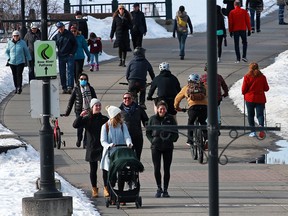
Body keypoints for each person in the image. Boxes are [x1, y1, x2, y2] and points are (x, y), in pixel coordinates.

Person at [73, 98, 109, 198]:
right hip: (92, 147)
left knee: (105, 169)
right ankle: (94, 189)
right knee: (93, 170)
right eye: (96, 106)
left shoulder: (104, 119)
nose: (98, 107)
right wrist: (80, 116)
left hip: (102, 147)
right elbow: (75, 125)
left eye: (99, 105)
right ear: (92, 107)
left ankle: (106, 188)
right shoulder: (87, 118)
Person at [146, 100, 179, 198]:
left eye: (164, 109)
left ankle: (165, 189)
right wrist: (152, 140)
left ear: (166, 110)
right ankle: (159, 188)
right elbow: (148, 132)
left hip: (168, 147)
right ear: (157, 109)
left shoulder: (170, 119)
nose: (162, 110)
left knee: (167, 169)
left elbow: (175, 132)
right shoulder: (152, 119)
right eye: (160, 109)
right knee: (157, 168)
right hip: (156, 147)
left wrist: (171, 139)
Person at [100, 105, 133, 197]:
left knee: (122, 174)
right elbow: (103, 141)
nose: (120, 117)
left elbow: (127, 136)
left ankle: (121, 194)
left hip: (120, 154)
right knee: (112, 176)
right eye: (118, 115)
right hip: (110, 154)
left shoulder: (122, 125)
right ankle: (112, 194)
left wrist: (129, 143)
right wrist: (109, 145)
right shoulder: (105, 126)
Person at [174, 73, 208, 147]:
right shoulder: (205, 87)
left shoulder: (186, 88)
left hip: (193, 108)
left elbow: (177, 99)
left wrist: (177, 107)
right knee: (203, 122)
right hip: (204, 108)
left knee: (190, 122)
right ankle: (206, 138)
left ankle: (190, 140)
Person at [64, 73, 97, 148]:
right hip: (79, 111)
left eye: (85, 79)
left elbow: (95, 99)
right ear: (79, 80)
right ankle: (79, 139)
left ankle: (85, 142)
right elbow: (71, 101)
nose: (83, 80)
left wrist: (95, 109)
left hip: (89, 110)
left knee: (88, 127)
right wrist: (67, 112)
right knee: (80, 127)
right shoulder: (76, 89)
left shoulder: (91, 89)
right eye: (81, 79)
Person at [241, 62, 269, 138]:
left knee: (250, 115)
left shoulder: (247, 77)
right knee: (260, 114)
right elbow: (266, 88)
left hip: (250, 98)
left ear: (250, 68)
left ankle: (252, 131)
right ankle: (261, 127)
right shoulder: (262, 77)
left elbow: (243, 89)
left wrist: (245, 93)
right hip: (260, 98)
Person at [119, 92, 149, 160]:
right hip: (125, 138)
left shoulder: (138, 109)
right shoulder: (119, 110)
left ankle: (136, 170)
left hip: (137, 136)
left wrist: (150, 130)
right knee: (127, 157)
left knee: (137, 157)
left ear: (132, 99)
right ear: (123, 100)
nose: (127, 99)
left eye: (129, 98)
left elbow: (146, 121)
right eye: (125, 98)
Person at [52, 21, 77, 94]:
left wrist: (72, 53)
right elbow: (51, 43)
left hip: (69, 55)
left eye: (61, 27)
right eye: (58, 28)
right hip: (61, 56)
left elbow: (75, 44)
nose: (60, 29)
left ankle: (70, 87)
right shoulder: (56, 36)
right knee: (62, 73)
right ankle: (64, 87)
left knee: (70, 72)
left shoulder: (70, 35)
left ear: (64, 27)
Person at [5, 30, 32, 94]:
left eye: (17, 36)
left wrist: (29, 59)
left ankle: (19, 87)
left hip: (20, 62)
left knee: (19, 74)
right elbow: (6, 52)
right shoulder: (9, 43)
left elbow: (26, 52)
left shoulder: (22, 43)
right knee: (14, 75)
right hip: (12, 62)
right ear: (12, 36)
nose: (16, 37)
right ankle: (16, 87)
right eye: (14, 36)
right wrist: (8, 58)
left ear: (19, 36)